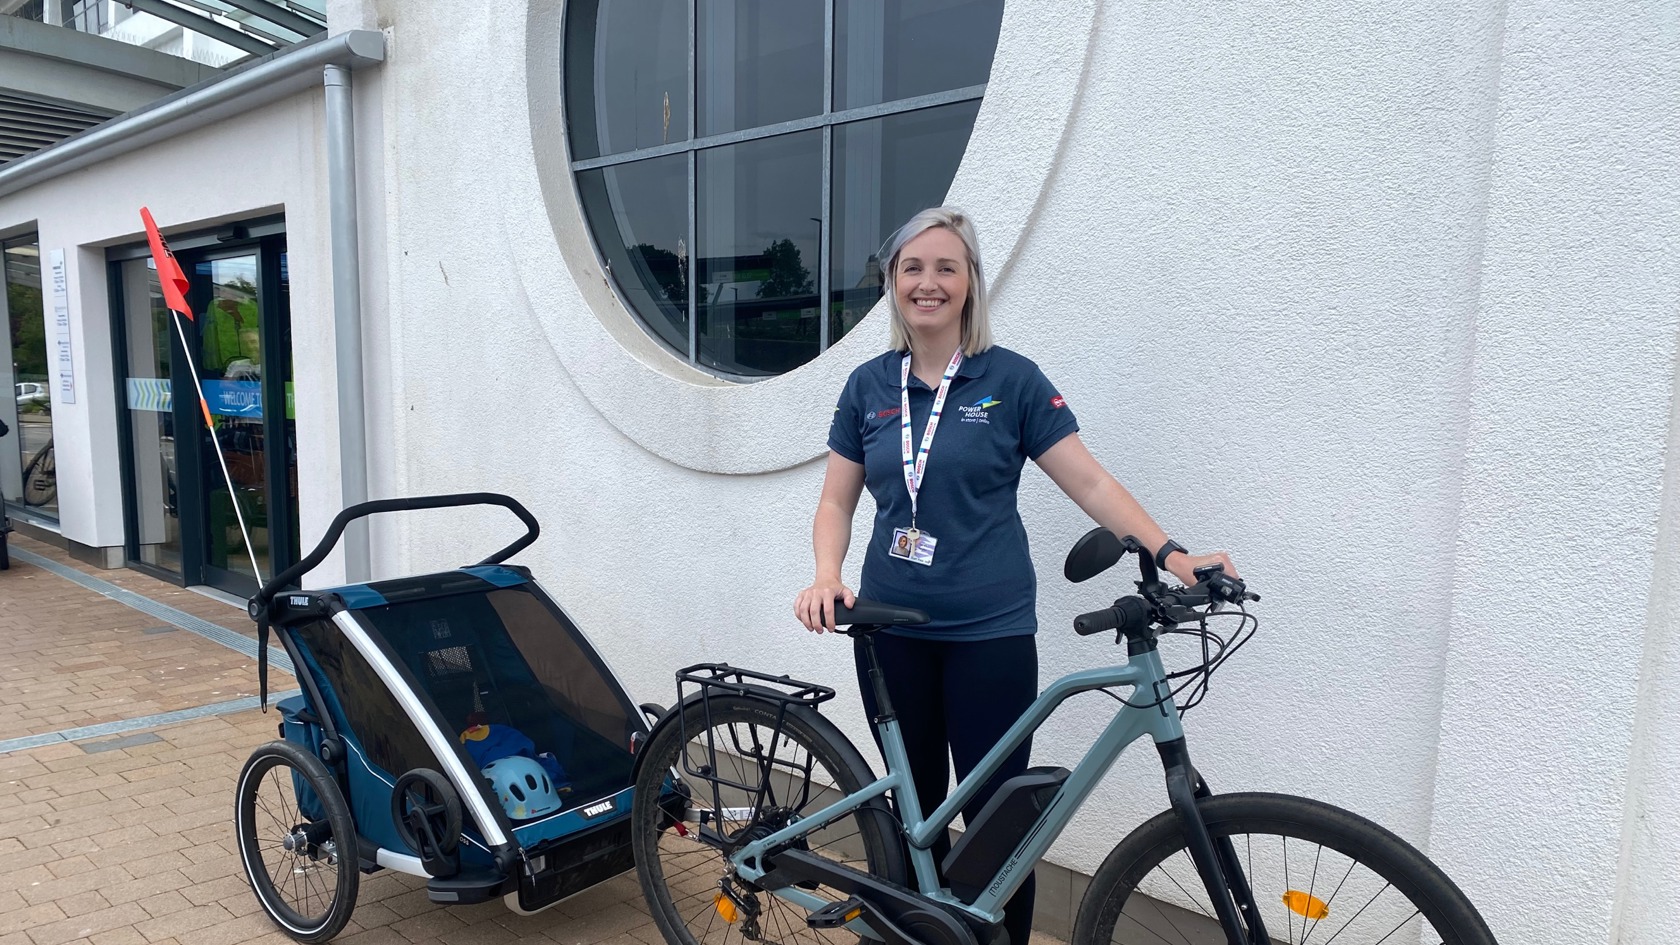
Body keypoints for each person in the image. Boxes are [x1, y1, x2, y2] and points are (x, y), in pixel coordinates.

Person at [793, 206, 1238, 945]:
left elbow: (1090, 484)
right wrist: (825, 573)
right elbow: (836, 498)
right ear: (893, 283)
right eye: (913, 268)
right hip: (887, 628)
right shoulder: (867, 386)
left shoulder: (1012, 381)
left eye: (946, 267)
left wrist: (1172, 553)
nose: (928, 283)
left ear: (970, 284)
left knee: (1001, 821)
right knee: (916, 812)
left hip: (989, 633)